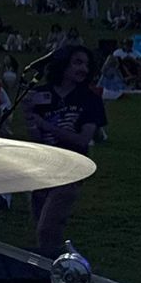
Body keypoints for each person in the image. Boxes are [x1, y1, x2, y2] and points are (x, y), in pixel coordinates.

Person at [25, 45, 107, 255]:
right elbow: (36, 137)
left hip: (71, 169)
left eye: (87, 64)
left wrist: (46, 125)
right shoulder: (41, 94)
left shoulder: (90, 99)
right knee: (44, 230)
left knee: (47, 228)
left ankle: (61, 272)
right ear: (63, 65)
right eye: (77, 62)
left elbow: (83, 139)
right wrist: (32, 123)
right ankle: (57, 271)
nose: (83, 69)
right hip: (42, 169)